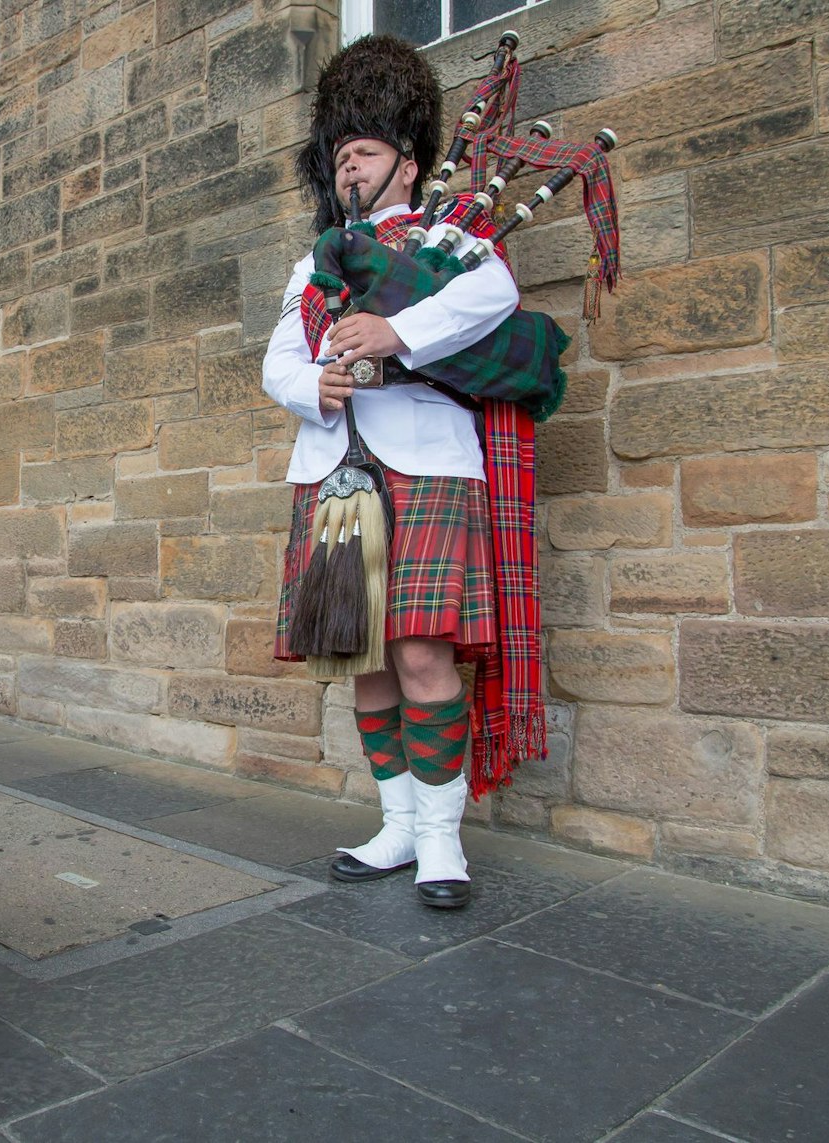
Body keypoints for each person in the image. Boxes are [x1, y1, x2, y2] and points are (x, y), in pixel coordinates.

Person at [262, 35, 521, 910]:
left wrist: (393, 332)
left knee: (418, 650)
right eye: (338, 158)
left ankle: (444, 840)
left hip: (426, 466)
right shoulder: (313, 267)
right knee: (361, 655)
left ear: (406, 166)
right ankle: (398, 825)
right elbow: (275, 366)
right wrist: (318, 384)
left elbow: (497, 298)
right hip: (337, 467)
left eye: (363, 154)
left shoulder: (450, 244)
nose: (347, 171)